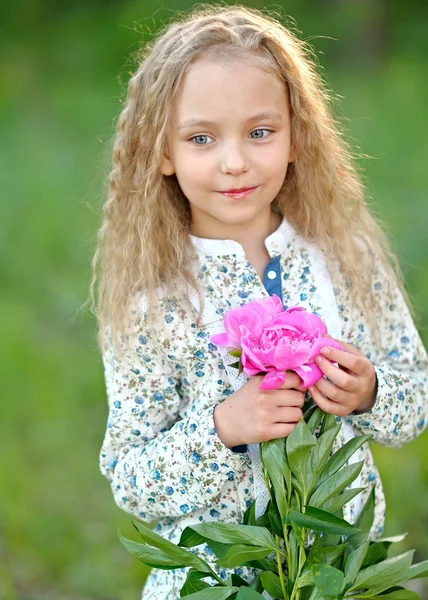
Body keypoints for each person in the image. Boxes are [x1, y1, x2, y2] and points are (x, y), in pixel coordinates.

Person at [90, 5, 428, 599]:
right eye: (201, 138)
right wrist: (221, 428)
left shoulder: (345, 258)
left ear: (296, 136)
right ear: (162, 153)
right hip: (211, 584)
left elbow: (417, 396)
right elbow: (131, 480)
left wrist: (371, 391)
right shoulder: (155, 301)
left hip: (335, 576)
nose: (235, 161)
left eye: (260, 131)